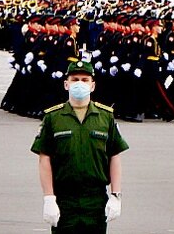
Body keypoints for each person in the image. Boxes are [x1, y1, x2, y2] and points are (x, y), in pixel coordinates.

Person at [33, 60, 128, 233]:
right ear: (66, 84)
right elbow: (44, 158)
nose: (79, 84)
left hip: (95, 199)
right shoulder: (53, 117)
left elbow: (114, 155)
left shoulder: (105, 117)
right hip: (64, 199)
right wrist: (48, 197)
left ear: (93, 85)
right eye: (75, 79)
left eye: (85, 80)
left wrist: (116, 195)